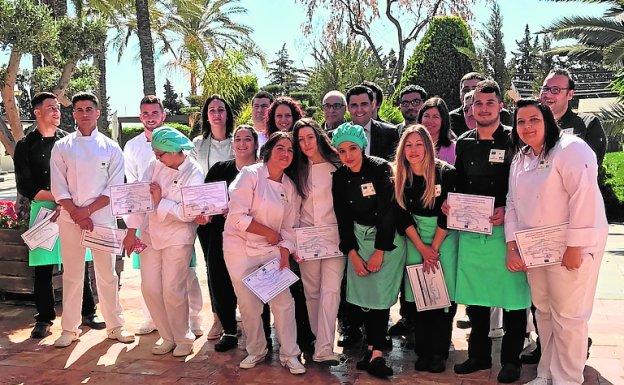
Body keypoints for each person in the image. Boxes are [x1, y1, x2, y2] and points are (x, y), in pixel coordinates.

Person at [506, 99, 608, 385]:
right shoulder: (521, 157)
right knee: (544, 312)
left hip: (570, 249)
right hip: (536, 251)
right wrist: (512, 245)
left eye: (534, 119)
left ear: (547, 120)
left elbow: (585, 197)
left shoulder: (571, 149)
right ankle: (545, 373)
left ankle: (567, 379)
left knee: (569, 317)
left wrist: (575, 247)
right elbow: (512, 202)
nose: (527, 127)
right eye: (521, 121)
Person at [450, 80, 530, 383]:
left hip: (506, 230)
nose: (483, 108)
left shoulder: (515, 140)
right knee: (477, 298)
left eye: (489, 103)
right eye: (477, 104)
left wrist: (506, 211)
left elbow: (523, 185)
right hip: (472, 232)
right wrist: (450, 204)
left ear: (500, 106)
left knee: (512, 298)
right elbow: (458, 182)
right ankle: (478, 356)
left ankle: (511, 361)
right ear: (471, 108)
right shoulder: (464, 142)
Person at [14, 92, 103, 339]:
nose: (56, 112)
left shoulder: (69, 141)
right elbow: (26, 186)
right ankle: (44, 318)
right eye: (51, 108)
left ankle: (88, 312)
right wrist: (59, 200)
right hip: (42, 211)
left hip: (71, 210)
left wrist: (67, 204)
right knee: (43, 267)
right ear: (37, 112)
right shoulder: (24, 145)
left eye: (58, 108)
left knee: (78, 262)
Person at [50, 92, 134, 347]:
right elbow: (58, 186)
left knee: (107, 274)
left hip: (102, 219)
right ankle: (69, 329)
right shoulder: (62, 146)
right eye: (79, 109)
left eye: (89, 109)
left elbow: (114, 187)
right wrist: (76, 214)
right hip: (69, 219)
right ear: (73, 114)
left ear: (98, 113)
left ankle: (115, 326)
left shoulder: (111, 147)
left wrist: (86, 212)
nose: (84, 113)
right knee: (72, 274)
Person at [223, 132, 306, 375]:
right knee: (248, 304)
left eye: (290, 150)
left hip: (271, 250)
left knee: (284, 302)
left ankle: (290, 353)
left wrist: (284, 252)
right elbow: (236, 216)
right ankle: (256, 350)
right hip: (239, 248)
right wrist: (269, 233)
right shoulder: (250, 175)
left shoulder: (290, 187)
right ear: (267, 152)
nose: (286, 154)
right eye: (280, 148)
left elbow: (291, 228)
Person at [125, 95, 204, 338]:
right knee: (150, 288)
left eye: (161, 155)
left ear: (174, 150)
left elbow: (189, 212)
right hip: (149, 234)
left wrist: (161, 202)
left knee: (173, 289)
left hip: (178, 237)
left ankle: (182, 337)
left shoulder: (194, 172)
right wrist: (131, 232)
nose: (157, 159)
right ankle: (167, 336)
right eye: (156, 155)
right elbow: (139, 199)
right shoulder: (153, 165)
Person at [331, 122, 406, 378]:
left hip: (386, 241)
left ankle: (376, 354)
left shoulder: (379, 168)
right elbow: (342, 217)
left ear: (362, 146)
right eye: (341, 151)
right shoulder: (340, 177)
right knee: (362, 297)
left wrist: (379, 251)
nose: (348, 155)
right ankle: (372, 348)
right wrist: (351, 253)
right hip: (358, 239)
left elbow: (388, 212)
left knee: (380, 298)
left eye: (352, 148)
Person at [393, 124, 458, 373]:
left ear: (428, 147)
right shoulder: (399, 176)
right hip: (416, 240)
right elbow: (402, 216)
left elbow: (450, 214)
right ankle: (423, 350)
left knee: (442, 299)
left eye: (419, 144)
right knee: (420, 297)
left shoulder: (446, 174)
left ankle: (439, 352)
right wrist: (422, 247)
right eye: (408, 145)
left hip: (444, 240)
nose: (414, 150)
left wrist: (434, 248)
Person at [198, 125, 259, 352]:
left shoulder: (263, 171)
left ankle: (260, 335)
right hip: (221, 236)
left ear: (255, 143)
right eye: (238, 139)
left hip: (253, 237)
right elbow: (204, 202)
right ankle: (230, 331)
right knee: (220, 281)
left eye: (247, 139)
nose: (242, 144)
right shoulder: (218, 169)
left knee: (255, 285)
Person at [290, 118, 345, 364]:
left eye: (309, 137)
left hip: (335, 238)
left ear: (319, 136)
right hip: (307, 239)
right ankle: (316, 340)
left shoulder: (338, 164)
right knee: (312, 292)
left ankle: (325, 347)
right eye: (300, 139)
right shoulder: (296, 169)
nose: (305, 143)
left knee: (331, 290)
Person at [192, 94, 236, 339]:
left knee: (236, 266)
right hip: (208, 217)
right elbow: (193, 179)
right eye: (212, 110)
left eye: (221, 109)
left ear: (227, 114)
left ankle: (237, 313)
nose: (217, 114)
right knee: (213, 268)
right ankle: (219, 317)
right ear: (206, 116)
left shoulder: (237, 141)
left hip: (235, 214)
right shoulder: (198, 144)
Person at [539, 68, 607, 165]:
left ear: (570, 94)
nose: (548, 94)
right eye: (545, 89)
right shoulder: (531, 126)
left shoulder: (588, 124)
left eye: (555, 90)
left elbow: (589, 166)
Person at [346, 85, 399, 161]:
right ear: (348, 108)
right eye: (354, 105)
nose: (359, 110)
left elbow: (394, 165)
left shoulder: (389, 133)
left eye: (364, 104)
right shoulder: (337, 134)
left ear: (373, 105)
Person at [449, 72, 512, 137]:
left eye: (475, 89)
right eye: (465, 90)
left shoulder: (503, 115)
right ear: (460, 94)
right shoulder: (451, 118)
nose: (471, 92)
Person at [417, 97, 456, 165]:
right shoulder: (411, 145)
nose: (430, 121)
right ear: (421, 118)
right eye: (426, 116)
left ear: (443, 121)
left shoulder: (454, 149)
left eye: (435, 117)